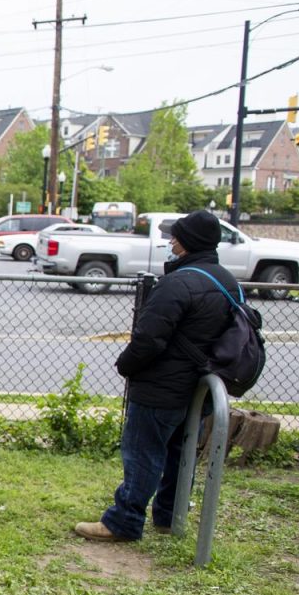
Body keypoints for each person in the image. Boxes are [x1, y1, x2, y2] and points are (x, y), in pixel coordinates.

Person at [75, 210, 238, 542]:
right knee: (182, 452)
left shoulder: (178, 283)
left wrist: (126, 365)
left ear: (188, 242)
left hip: (162, 387)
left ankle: (123, 521)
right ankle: (168, 516)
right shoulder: (226, 281)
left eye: (176, 236)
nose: (171, 242)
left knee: (143, 453)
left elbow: (149, 339)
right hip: (200, 386)